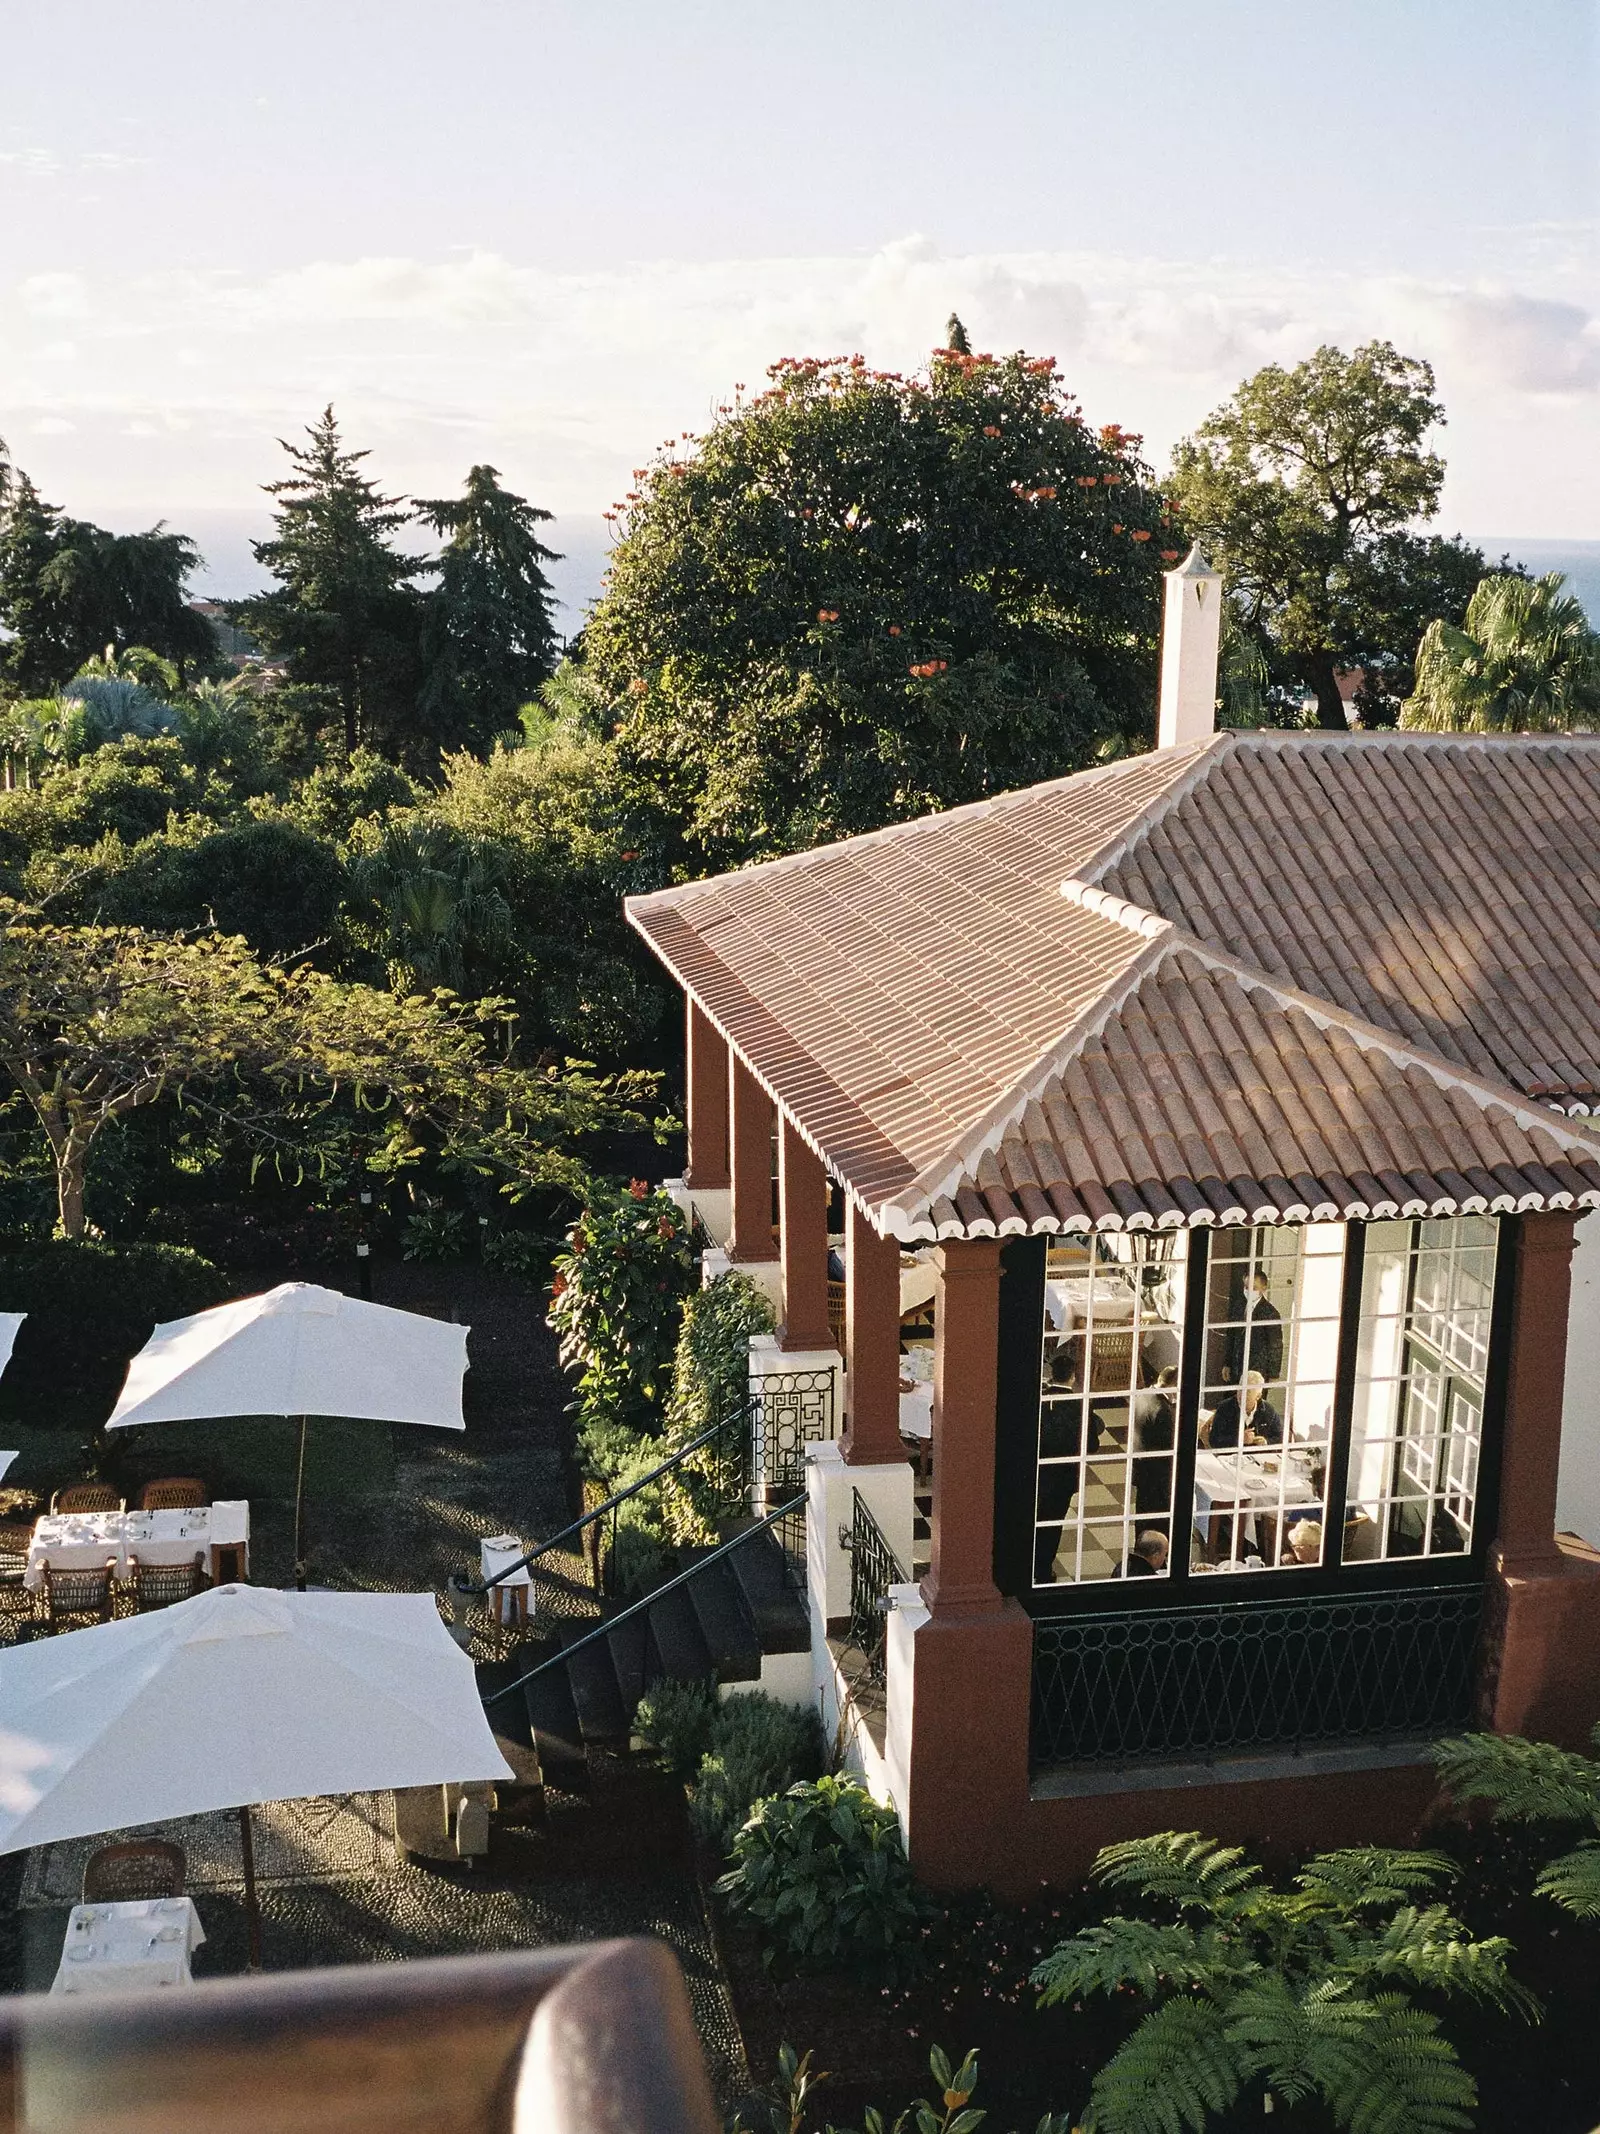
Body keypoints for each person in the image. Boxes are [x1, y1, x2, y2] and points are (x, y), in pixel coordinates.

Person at [1131, 1365, 1178, 1516]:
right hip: (1157, 1473)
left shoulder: (1142, 1394)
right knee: (1157, 1515)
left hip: (1140, 1464)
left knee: (1142, 1510)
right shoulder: (1162, 1410)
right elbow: (1167, 1444)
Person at [1225, 1265, 1283, 1385]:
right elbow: (1231, 1335)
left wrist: (1273, 1374)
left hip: (1258, 1370)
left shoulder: (1270, 1313)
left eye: (1254, 1288)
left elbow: (1275, 1346)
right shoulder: (1239, 1306)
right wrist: (1227, 1363)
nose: (1249, 1290)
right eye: (1246, 1287)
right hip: (1237, 1368)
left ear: (1264, 1288)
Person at [1207, 1369, 1283, 1448]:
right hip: (1229, 1457)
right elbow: (1214, 1441)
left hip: (1258, 1457)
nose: (1241, 1394)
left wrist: (1266, 1442)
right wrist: (1240, 1439)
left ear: (1258, 1396)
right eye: (1240, 1389)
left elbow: (1279, 1437)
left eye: (1248, 1392)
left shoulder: (1268, 1410)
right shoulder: (1224, 1408)